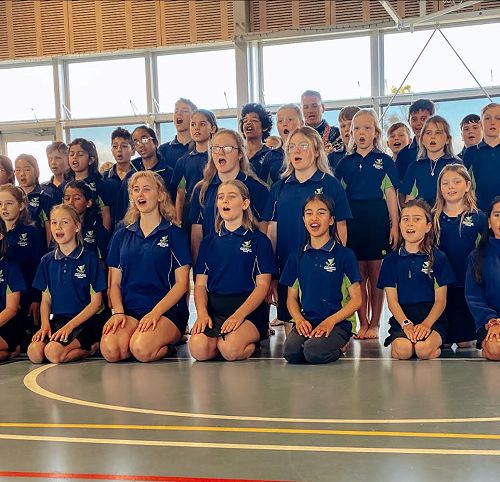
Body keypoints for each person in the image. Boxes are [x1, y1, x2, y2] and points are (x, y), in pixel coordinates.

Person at [264, 126, 351, 327]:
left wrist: (337, 263)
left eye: (303, 145)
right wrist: (272, 271)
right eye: (292, 147)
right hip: (289, 267)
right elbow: (272, 231)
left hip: (322, 266)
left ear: (317, 150)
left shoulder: (330, 184)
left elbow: (341, 226)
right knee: (292, 332)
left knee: (324, 328)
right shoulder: (280, 187)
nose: (296, 150)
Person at [101, 171, 190, 363]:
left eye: (146, 189)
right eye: (136, 190)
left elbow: (182, 284)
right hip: (131, 310)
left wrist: (155, 313)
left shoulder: (175, 234)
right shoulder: (121, 235)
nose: (140, 194)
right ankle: (136, 336)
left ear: (160, 196)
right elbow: (114, 283)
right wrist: (118, 312)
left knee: (141, 349)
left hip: (166, 311)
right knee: (111, 350)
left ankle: (169, 343)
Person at [189, 180, 274, 361]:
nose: (225, 201)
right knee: (198, 350)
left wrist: (238, 316)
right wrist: (202, 314)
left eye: (231, 196)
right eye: (221, 197)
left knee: (230, 349)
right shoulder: (208, 242)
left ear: (245, 203)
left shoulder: (259, 241)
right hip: (216, 310)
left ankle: (252, 344)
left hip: (248, 311)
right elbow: (200, 285)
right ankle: (220, 341)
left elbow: (262, 286)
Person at [335, 109, 399, 339]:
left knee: (376, 273)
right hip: (353, 220)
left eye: (367, 128)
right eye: (357, 128)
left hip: (377, 219)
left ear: (376, 132)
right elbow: (339, 198)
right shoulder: (344, 163)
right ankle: (362, 322)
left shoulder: (385, 161)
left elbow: (391, 195)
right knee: (358, 274)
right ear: (351, 133)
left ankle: (375, 323)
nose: (362, 132)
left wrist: (395, 225)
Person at [281, 194, 362, 364]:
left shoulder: (345, 256)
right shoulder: (296, 257)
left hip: (338, 323)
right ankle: (313, 341)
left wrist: (330, 322)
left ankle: (341, 347)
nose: (314, 218)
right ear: (304, 220)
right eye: (309, 213)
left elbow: (357, 300)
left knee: (313, 352)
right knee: (291, 352)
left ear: (331, 220)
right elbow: (291, 298)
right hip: (308, 320)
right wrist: (299, 320)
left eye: (321, 213)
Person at [28, 204, 106, 363]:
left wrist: (70, 327)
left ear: (77, 226)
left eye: (64, 222)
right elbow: (46, 300)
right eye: (54, 222)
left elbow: (96, 303)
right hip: (58, 320)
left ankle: (90, 348)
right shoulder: (46, 261)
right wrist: (45, 325)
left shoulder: (90, 259)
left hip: (84, 323)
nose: (58, 227)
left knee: (53, 352)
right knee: (34, 353)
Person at [378, 199, 455, 360]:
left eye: (417, 219)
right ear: (399, 225)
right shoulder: (391, 260)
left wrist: (427, 324)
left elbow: (441, 300)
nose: (410, 223)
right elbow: (392, 301)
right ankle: (402, 344)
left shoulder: (438, 258)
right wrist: (405, 324)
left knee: (423, 350)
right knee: (404, 351)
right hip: (403, 317)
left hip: (432, 318)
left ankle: (434, 347)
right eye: (405, 219)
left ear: (428, 226)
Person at [189, 129, 269, 263]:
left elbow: (264, 230)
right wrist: (199, 268)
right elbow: (197, 234)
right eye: (216, 148)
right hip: (212, 264)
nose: (221, 152)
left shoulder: (257, 188)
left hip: (246, 265)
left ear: (240, 154)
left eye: (227, 148)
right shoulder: (201, 189)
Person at [433, 164, 487, 348]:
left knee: (465, 343)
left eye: (456, 182)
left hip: (467, 284)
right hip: (442, 287)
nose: (451, 186)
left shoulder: (478, 217)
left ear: (467, 185)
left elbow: (486, 250)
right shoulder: (433, 218)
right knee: (444, 343)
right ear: (440, 187)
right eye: (445, 183)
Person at [0, 184, 46, 348]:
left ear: (21, 206)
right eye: (0, 204)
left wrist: (36, 298)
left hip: (25, 297)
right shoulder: (1, 232)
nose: (3, 208)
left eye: (9, 203)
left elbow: (39, 267)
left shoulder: (32, 232)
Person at [465, 196, 500, 360]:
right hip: (490, 321)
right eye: (497, 215)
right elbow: (474, 296)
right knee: (496, 350)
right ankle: (487, 346)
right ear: (489, 222)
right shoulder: (477, 256)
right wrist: (492, 321)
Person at [115, 126, 174, 223]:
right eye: (136, 142)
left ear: (155, 142)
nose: (141, 145)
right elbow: (122, 208)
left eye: (144, 140)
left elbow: (174, 204)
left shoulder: (169, 173)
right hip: (134, 226)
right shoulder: (130, 175)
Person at [171, 109, 218, 231]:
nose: (197, 128)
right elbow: (180, 194)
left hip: (215, 206)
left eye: (202, 124)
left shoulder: (219, 157)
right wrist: (178, 221)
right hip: (191, 209)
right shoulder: (183, 161)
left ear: (212, 128)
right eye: (193, 124)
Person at [53, 139, 113, 232]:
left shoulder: (100, 185)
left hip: (93, 234)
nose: (75, 157)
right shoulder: (63, 186)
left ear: (91, 160)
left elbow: (105, 212)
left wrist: (105, 236)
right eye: (71, 154)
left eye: (80, 154)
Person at [401, 115, 461, 207]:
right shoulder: (414, 166)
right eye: (428, 133)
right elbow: (409, 199)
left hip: (450, 213)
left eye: (438, 133)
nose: (432, 137)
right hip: (423, 214)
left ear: (447, 139)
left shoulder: (456, 164)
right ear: (422, 139)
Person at [463, 103, 500, 212]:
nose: (492, 122)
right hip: (480, 210)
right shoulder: (471, 152)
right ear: (481, 124)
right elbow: (463, 182)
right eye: (487, 118)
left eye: (498, 118)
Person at [63, 181, 110, 261]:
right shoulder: (58, 227)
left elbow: (103, 260)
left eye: (76, 198)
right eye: (67, 198)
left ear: (88, 203)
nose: (70, 202)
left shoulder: (96, 228)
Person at [0, 217, 26, 361]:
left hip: (7, 324)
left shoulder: (10, 266)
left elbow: (11, 309)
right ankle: (8, 353)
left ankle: (12, 347)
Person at [259, 103, 304, 186]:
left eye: (290, 119)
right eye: (280, 121)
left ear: (301, 123)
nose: (284, 124)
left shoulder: (310, 151)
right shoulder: (271, 156)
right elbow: (262, 186)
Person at [394, 99, 435, 183]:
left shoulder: (442, 151)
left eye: (423, 119)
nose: (418, 123)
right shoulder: (403, 155)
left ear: (433, 120)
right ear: (409, 121)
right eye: (414, 119)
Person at [14, 154, 52, 243]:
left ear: (36, 172)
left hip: (37, 246)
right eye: (18, 170)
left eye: (27, 169)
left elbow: (49, 227)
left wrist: (49, 248)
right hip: (14, 246)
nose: (22, 174)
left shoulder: (44, 197)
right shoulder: (12, 196)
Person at [158, 98, 197, 173]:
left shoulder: (200, 148)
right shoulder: (163, 150)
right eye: (176, 111)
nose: (179, 113)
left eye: (185, 111)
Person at [239, 103, 272, 177]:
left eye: (254, 120)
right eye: (245, 121)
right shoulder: (237, 153)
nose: (248, 123)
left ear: (264, 127)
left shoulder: (270, 154)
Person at [328, 106, 360, 171]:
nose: (347, 129)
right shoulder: (332, 158)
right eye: (342, 126)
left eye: (351, 125)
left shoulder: (372, 157)